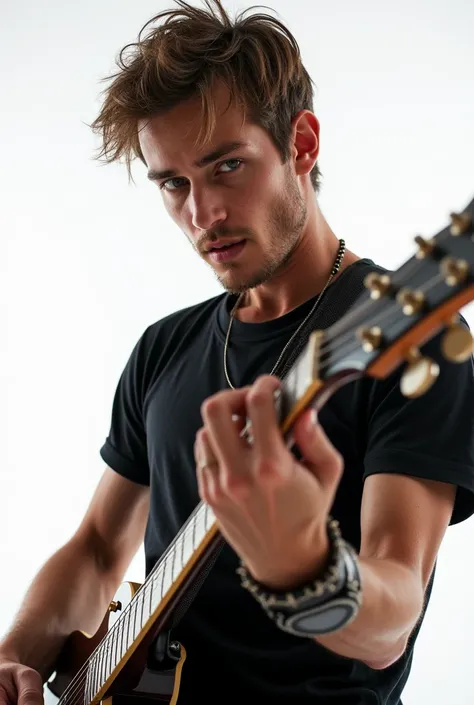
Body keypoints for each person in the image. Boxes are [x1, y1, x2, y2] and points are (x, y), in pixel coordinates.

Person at [1, 1, 474, 703]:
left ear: (302, 144)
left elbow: (391, 618)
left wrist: (306, 569)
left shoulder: (406, 336)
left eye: (227, 166)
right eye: (173, 183)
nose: (201, 214)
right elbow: (99, 549)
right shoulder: (164, 347)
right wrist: (13, 657)